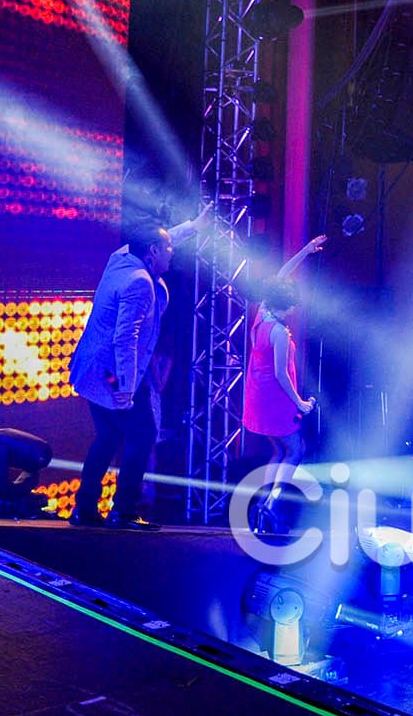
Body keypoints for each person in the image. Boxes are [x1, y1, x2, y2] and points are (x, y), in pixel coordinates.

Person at [68, 206, 211, 529]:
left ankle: (85, 509)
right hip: (113, 371)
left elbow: (159, 239)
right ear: (153, 253)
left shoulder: (122, 258)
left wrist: (193, 225)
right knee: (142, 434)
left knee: (107, 436)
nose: (172, 252)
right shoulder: (139, 282)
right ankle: (124, 512)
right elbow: (125, 339)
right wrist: (126, 389)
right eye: (168, 249)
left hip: (96, 367)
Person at [242, 235, 329, 532]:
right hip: (274, 400)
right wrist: (301, 404)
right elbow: (281, 374)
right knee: (296, 451)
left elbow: (281, 275)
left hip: (257, 396)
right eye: (292, 305)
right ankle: (269, 505)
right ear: (286, 304)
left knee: (280, 452)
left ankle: (265, 502)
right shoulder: (278, 332)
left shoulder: (262, 313)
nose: (294, 309)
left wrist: (304, 250)